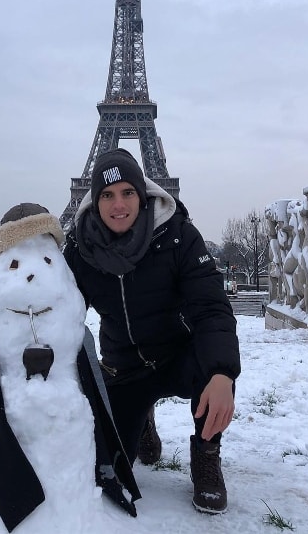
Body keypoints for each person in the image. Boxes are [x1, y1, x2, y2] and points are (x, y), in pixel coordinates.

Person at [64, 148, 241, 514]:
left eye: (128, 192)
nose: (118, 205)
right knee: (110, 465)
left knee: (211, 371)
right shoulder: (80, 252)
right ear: (94, 202)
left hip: (180, 355)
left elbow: (210, 307)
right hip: (124, 366)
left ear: (144, 195)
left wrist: (223, 372)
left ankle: (206, 454)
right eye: (107, 195)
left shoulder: (178, 236)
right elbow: (57, 310)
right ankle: (141, 418)